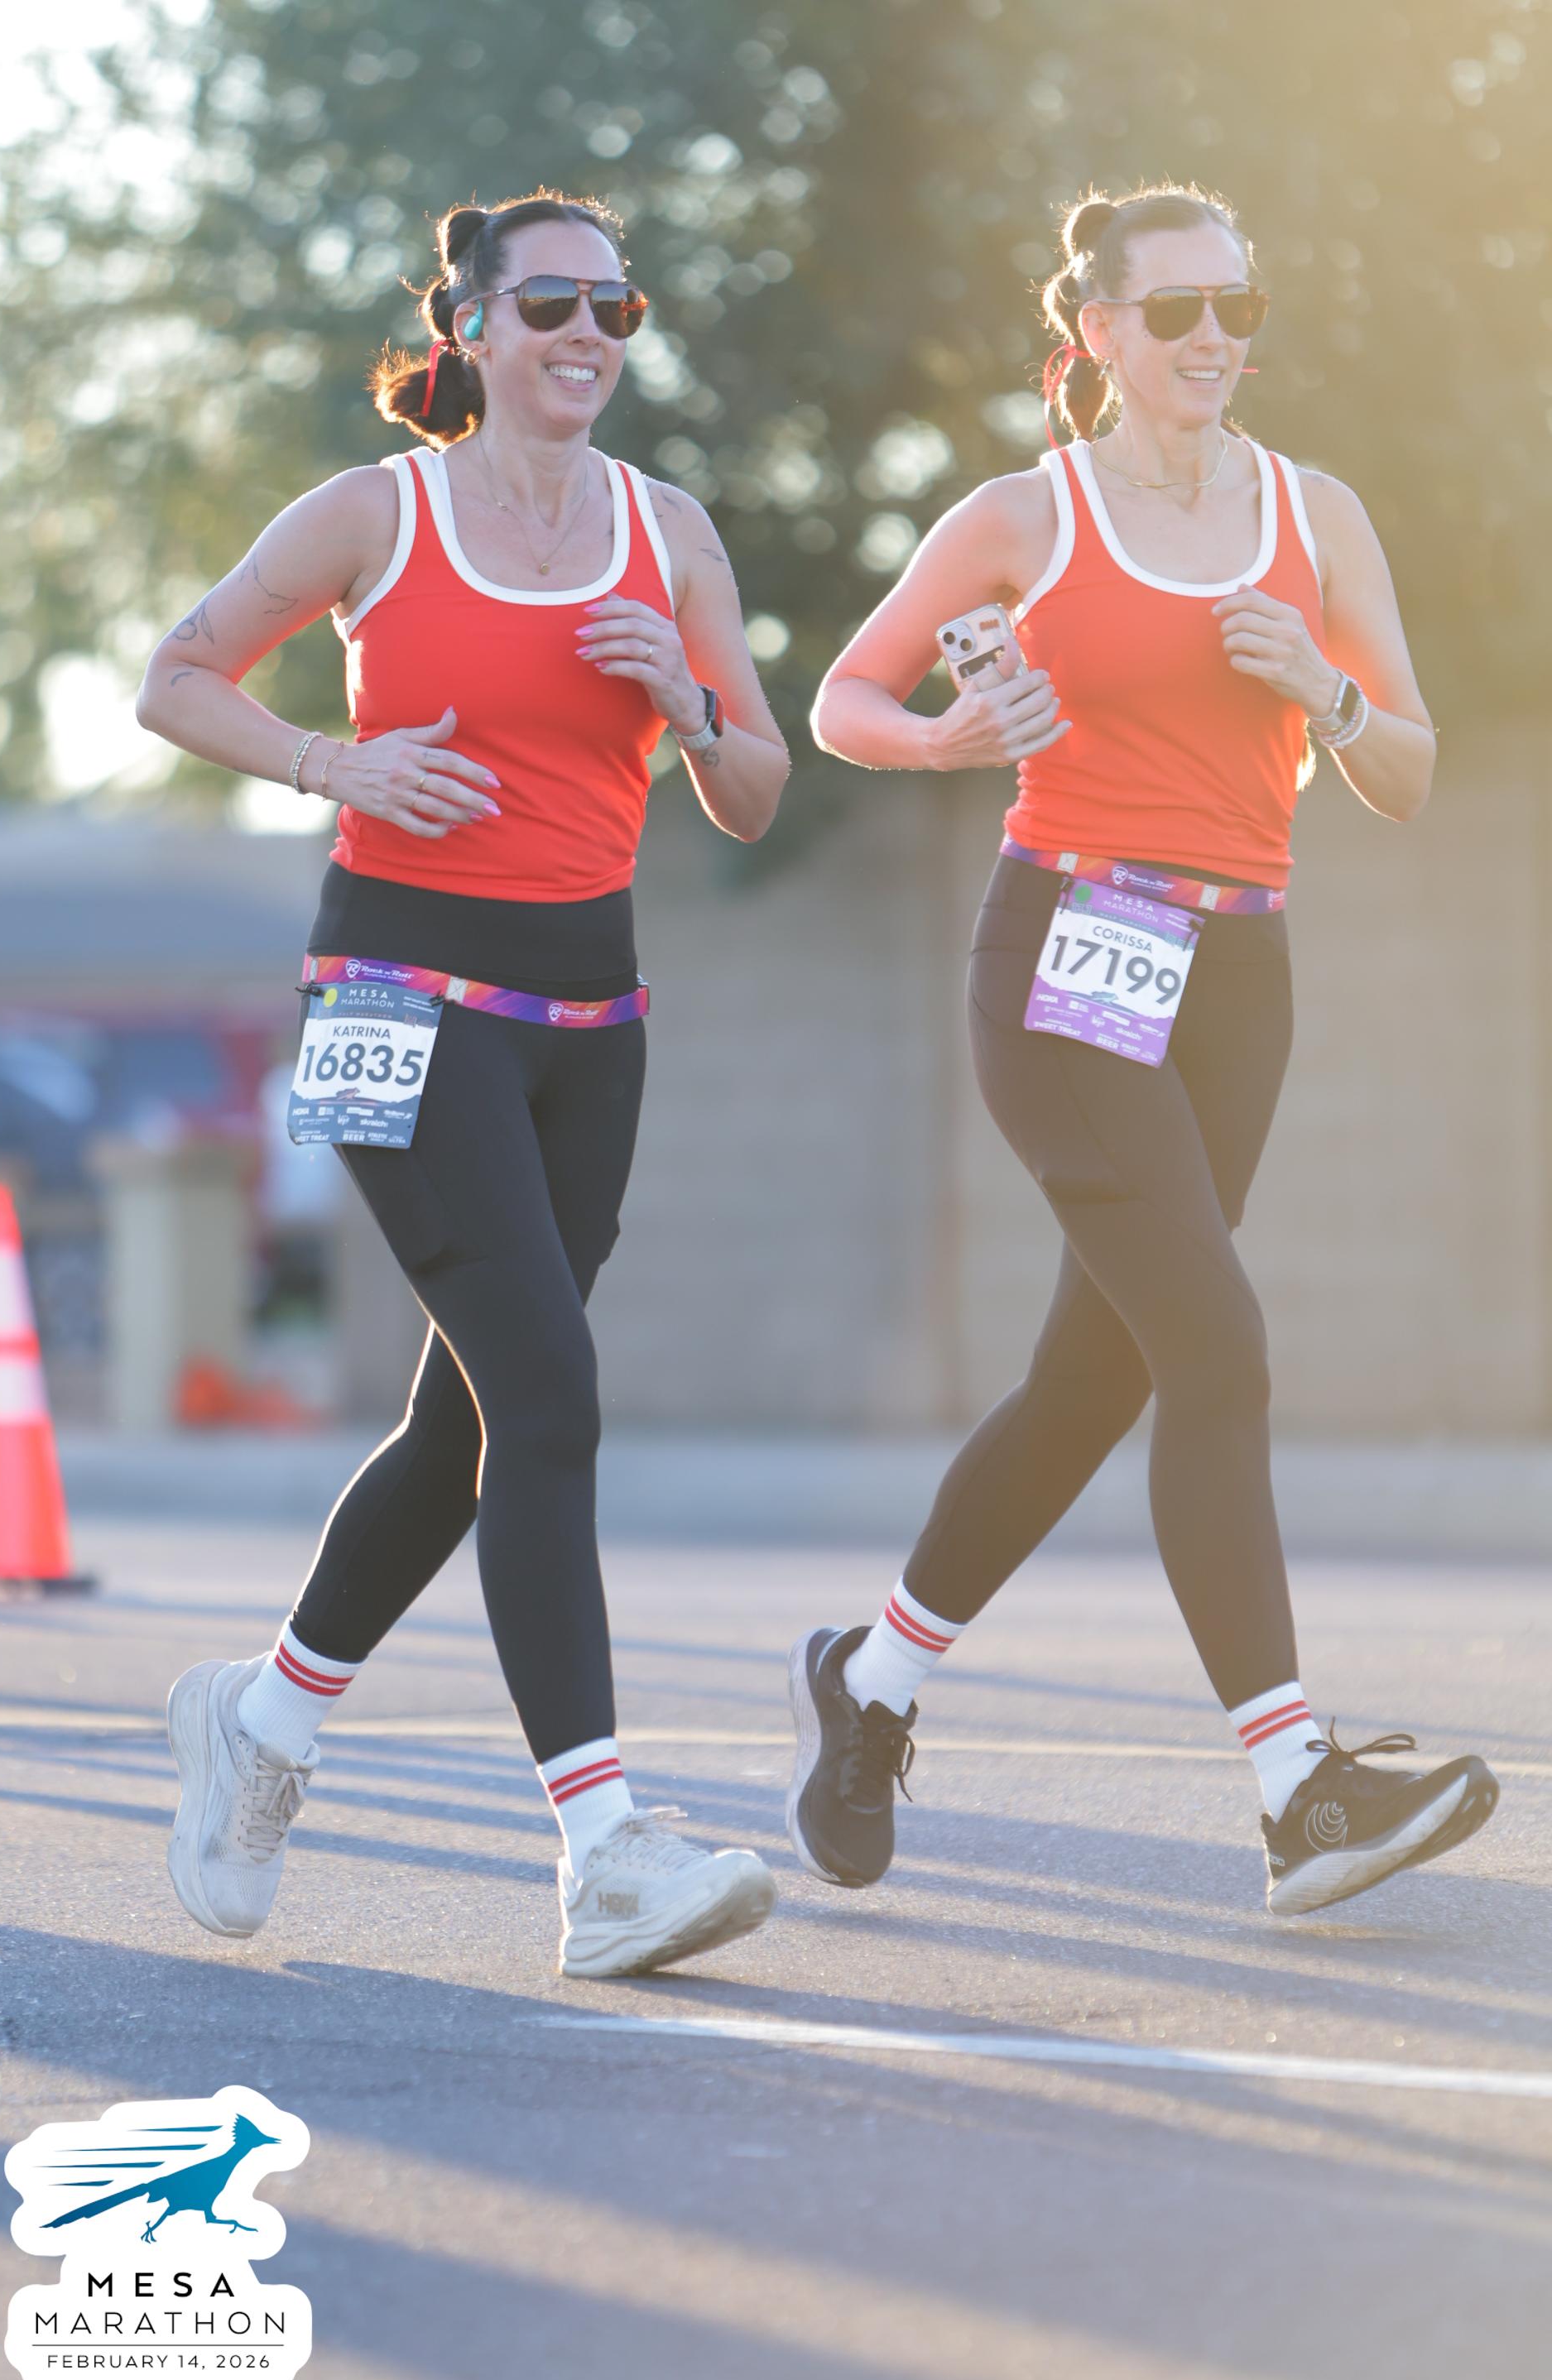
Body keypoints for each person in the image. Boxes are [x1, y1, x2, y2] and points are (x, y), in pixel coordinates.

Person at [787, 183, 1497, 1917]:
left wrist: (1321, 689)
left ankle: (871, 1681)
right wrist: (954, 739)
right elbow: (843, 700)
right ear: (1097, 330)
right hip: (1070, 955)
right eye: (1173, 310)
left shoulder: (1315, 515)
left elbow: (1405, 771)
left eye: (1236, 306)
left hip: (1237, 972)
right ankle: (1294, 1787)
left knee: (1095, 1379)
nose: (1211, 339)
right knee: (1217, 1345)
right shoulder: (1025, 515)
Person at [138, 188, 789, 1976]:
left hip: (591, 1028)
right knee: (550, 1395)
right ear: (472, 327)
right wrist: (328, 762)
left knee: (472, 1423)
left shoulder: (668, 533)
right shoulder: (375, 512)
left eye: (615, 308)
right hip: (398, 1000)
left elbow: (753, 792)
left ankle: (263, 1720)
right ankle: (604, 1852)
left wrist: (688, 700)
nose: (587, 333)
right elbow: (174, 679)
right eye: (551, 302)